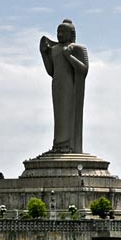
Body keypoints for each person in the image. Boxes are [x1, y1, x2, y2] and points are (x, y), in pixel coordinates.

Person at [40, 19, 89, 154]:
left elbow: (84, 69)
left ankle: (69, 145)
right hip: (57, 86)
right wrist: (44, 53)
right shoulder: (55, 50)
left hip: (71, 87)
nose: (60, 35)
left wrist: (69, 57)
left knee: (69, 113)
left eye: (63, 32)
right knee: (59, 117)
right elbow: (51, 71)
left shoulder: (77, 49)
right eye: (58, 32)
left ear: (71, 34)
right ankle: (58, 145)